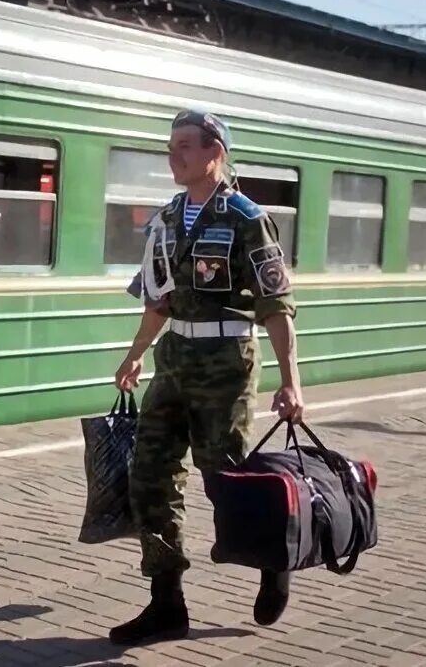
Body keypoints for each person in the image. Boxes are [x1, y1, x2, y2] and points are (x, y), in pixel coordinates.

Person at [110, 109, 304, 646]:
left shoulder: (246, 218)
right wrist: (135, 355)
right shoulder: (166, 220)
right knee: (148, 475)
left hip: (227, 361)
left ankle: (274, 560)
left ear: (215, 152)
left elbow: (276, 306)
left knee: (228, 480)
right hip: (174, 361)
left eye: (186, 147)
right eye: (171, 147)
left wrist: (292, 382)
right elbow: (159, 300)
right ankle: (167, 603)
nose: (175, 157)